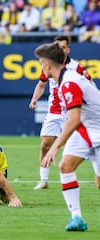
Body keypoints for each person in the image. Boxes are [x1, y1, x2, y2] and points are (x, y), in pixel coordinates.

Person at [37, 42, 100, 232]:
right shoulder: (65, 80)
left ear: (48, 65)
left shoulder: (70, 82)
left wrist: (55, 147)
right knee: (65, 166)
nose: (40, 67)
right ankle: (77, 218)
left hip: (97, 129)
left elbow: (73, 119)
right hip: (85, 129)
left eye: (41, 63)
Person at [29, 35, 91, 190]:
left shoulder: (76, 67)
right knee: (45, 144)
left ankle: (70, 175)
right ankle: (44, 179)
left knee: (77, 146)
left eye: (63, 47)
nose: (60, 50)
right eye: (57, 47)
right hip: (54, 111)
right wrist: (34, 99)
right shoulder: (50, 65)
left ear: (67, 49)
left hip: (72, 111)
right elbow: (41, 84)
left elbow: (89, 83)